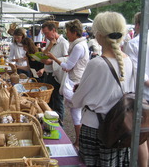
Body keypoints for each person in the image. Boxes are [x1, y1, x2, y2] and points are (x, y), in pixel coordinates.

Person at [71, 11, 133, 166]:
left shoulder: (97, 63)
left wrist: (82, 92)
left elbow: (76, 101)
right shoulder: (129, 61)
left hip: (96, 129)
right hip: (120, 127)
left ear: (99, 35)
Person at [46, 19, 89, 149]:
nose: (67, 35)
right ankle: (79, 141)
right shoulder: (81, 44)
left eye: (68, 32)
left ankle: (78, 141)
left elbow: (67, 67)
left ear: (74, 32)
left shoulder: (77, 46)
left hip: (75, 81)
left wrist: (54, 59)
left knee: (76, 113)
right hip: (77, 80)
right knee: (77, 113)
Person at [123, 12, 148, 167]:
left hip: (142, 96)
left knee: (141, 136)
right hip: (144, 94)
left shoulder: (134, 44)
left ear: (137, 25)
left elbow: (139, 75)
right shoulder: (134, 43)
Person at [41, 21, 69, 123]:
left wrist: (52, 61)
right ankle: (50, 122)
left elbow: (67, 60)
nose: (46, 36)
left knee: (57, 101)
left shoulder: (63, 43)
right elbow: (43, 56)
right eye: (44, 33)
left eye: (47, 33)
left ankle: (60, 124)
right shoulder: (49, 41)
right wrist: (49, 46)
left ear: (53, 30)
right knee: (49, 102)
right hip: (48, 74)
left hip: (57, 76)